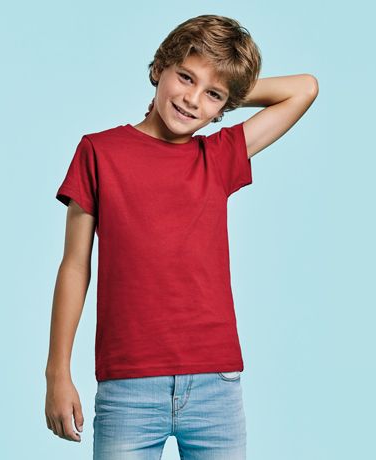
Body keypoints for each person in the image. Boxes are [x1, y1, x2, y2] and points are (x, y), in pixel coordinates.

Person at [45, 14, 318, 460]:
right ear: (159, 68)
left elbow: (305, 88)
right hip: (128, 386)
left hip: (216, 386)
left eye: (212, 95)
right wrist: (57, 372)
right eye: (186, 77)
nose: (192, 99)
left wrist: (227, 90)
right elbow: (75, 266)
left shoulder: (218, 156)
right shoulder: (99, 151)